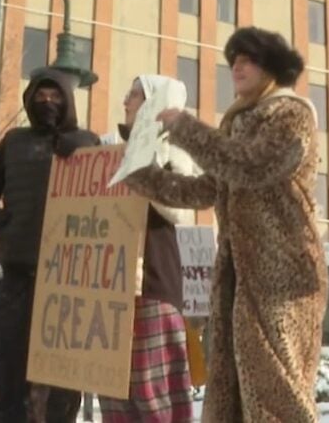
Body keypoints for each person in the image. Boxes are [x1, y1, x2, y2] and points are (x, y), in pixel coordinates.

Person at [126, 26, 327, 422]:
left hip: (283, 278)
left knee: (279, 393)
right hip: (237, 278)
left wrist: (186, 128)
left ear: (273, 67)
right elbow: (206, 189)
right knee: (232, 391)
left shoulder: (293, 113)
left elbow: (252, 165)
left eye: (249, 58)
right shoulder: (236, 124)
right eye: (233, 58)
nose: (237, 65)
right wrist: (141, 175)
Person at [0, 68, 100, 423]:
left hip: (69, 280)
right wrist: (3, 227)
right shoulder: (14, 142)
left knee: (62, 379)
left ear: (68, 100)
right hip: (18, 275)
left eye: (56, 95)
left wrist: (82, 153)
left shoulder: (88, 142)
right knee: (11, 369)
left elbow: (108, 195)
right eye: (41, 95)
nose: (48, 102)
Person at [99, 75, 195, 422]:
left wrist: (144, 161)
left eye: (135, 95)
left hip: (153, 287)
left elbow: (181, 210)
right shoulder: (107, 150)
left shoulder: (174, 149)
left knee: (153, 398)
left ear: (155, 102)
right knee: (113, 394)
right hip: (110, 290)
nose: (125, 102)